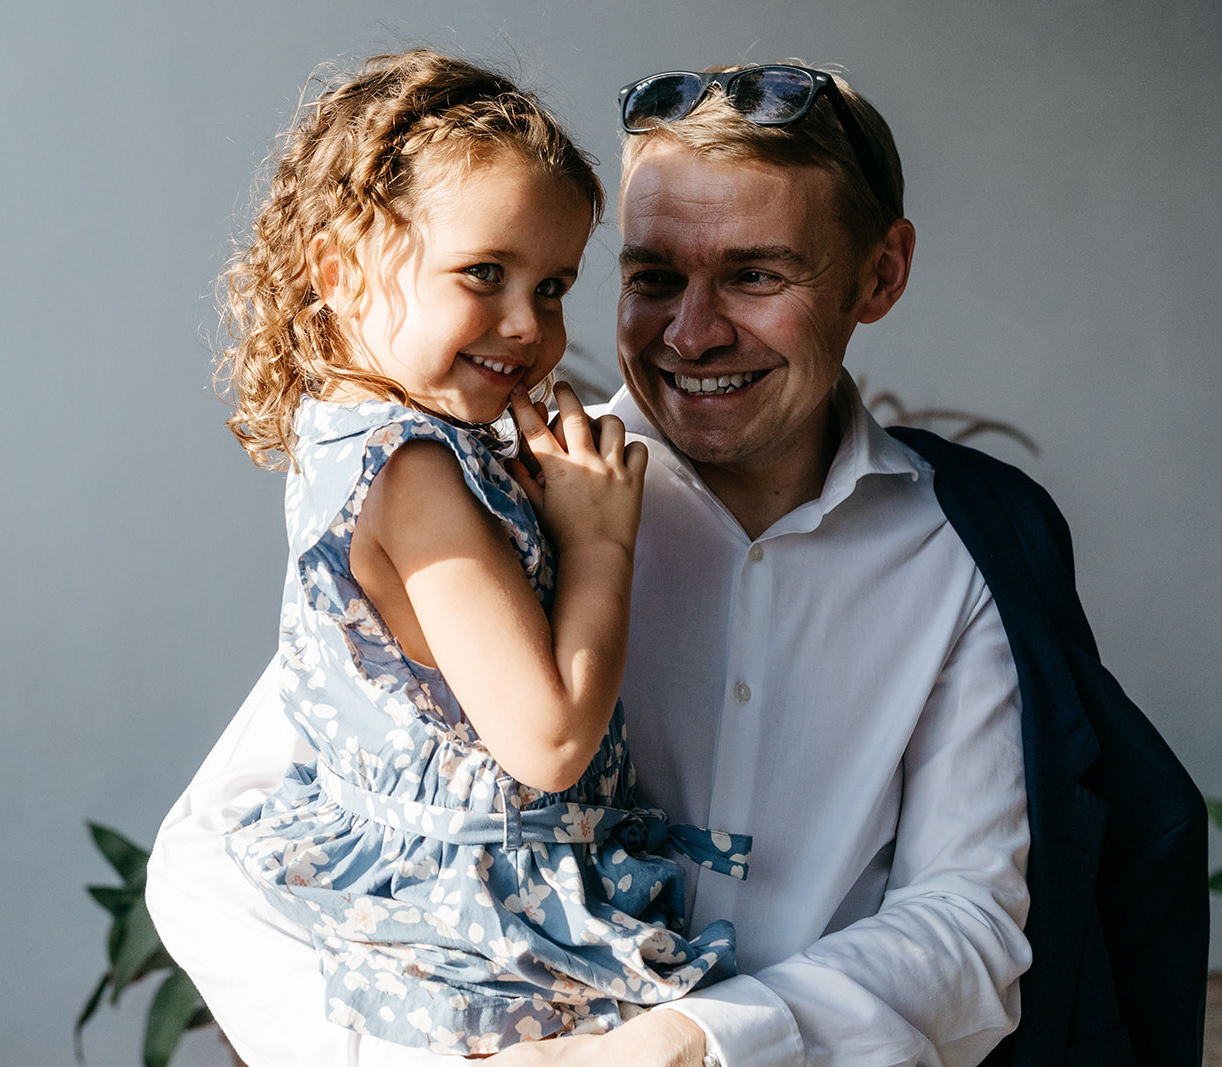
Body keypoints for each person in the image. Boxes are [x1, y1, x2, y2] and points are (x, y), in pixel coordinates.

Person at [149, 59, 1208, 1066]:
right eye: (654, 277)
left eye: (754, 275)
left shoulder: (967, 541)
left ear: (880, 273)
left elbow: (967, 922)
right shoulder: (500, 494)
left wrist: (688, 1044)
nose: (692, 334)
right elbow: (213, 858)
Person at [195, 49, 751, 1057]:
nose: (526, 324)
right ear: (341, 270)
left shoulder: (354, 433)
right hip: (488, 948)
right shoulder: (413, 472)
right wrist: (598, 539)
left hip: (430, 922)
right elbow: (547, 742)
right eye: (483, 273)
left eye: (554, 285)